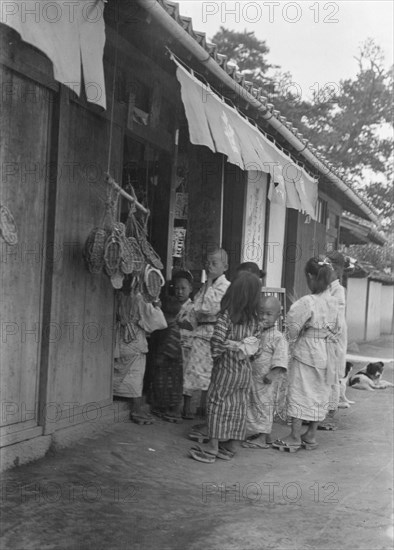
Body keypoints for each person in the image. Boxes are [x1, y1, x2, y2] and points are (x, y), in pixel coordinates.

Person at [189, 272, 262, 463]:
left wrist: (218, 354)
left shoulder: (226, 316)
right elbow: (257, 349)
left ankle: (212, 447)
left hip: (225, 369)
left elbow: (216, 342)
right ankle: (229, 446)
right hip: (244, 370)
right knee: (237, 406)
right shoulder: (255, 321)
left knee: (217, 403)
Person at [272, 257, 341, 452]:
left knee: (300, 391)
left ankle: (294, 435)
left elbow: (292, 328)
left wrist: (294, 337)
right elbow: (338, 328)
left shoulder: (307, 302)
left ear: (310, 277)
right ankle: (311, 434)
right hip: (327, 351)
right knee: (320, 392)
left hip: (308, 351)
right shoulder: (334, 302)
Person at [183, 248, 230, 419]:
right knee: (193, 370)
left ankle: (206, 410)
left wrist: (209, 283)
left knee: (211, 374)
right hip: (200, 332)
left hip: (214, 334)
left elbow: (207, 308)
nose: (209, 267)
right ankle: (191, 408)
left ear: (225, 266)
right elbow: (195, 308)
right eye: (207, 263)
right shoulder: (206, 286)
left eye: (214, 263)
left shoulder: (225, 286)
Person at [113, 284, 165, 425]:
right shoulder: (139, 298)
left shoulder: (115, 294)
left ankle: (115, 394)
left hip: (118, 338)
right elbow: (158, 322)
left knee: (119, 369)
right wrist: (157, 306)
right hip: (134, 339)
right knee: (135, 375)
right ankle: (137, 410)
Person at [242, 296, 288, 449]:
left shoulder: (278, 337)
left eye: (269, 314)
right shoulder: (258, 333)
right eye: (261, 313)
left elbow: (281, 359)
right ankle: (264, 435)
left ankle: (262, 438)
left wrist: (273, 373)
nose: (263, 317)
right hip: (255, 378)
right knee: (254, 405)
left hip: (267, 380)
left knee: (264, 406)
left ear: (278, 316)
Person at [318, 251, 348, 430]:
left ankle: (329, 415)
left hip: (335, 336)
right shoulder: (329, 287)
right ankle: (320, 412)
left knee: (333, 375)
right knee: (325, 373)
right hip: (327, 336)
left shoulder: (338, 290)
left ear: (335, 270)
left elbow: (333, 310)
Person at [150, 296, 184, 423]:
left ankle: (173, 412)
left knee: (169, 389)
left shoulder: (171, 329)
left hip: (169, 366)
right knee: (169, 388)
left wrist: (159, 359)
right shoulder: (171, 327)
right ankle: (167, 409)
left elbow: (170, 349)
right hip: (170, 366)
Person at [172, 270, 195, 419]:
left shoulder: (194, 308)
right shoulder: (171, 306)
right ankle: (178, 409)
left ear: (190, 289)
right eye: (177, 288)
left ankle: (187, 410)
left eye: (183, 288)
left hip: (189, 347)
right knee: (177, 378)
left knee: (188, 379)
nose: (179, 292)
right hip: (175, 346)